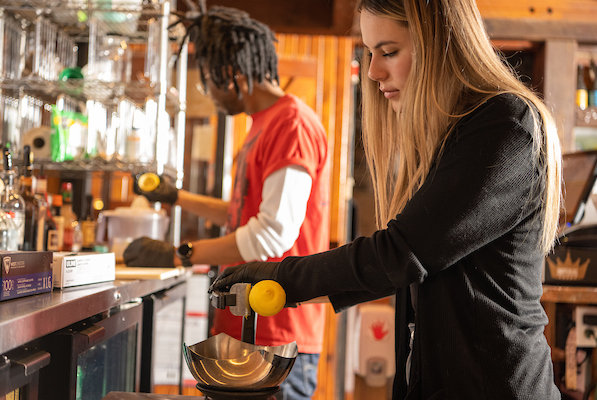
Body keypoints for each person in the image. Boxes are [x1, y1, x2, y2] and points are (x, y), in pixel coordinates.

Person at [210, 0, 564, 399]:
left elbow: (400, 253)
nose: (374, 72)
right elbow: (402, 267)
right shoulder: (444, 139)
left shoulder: (505, 124)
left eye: (389, 52)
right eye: (370, 53)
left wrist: (282, 278)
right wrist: (282, 286)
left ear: (442, 44)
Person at [123, 6, 330, 400]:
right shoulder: (263, 124)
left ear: (231, 75)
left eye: (208, 81)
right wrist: (176, 196)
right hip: (245, 325)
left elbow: (270, 234)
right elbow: (242, 216)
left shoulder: (292, 125)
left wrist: (180, 253)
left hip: (276, 335)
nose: (210, 92)